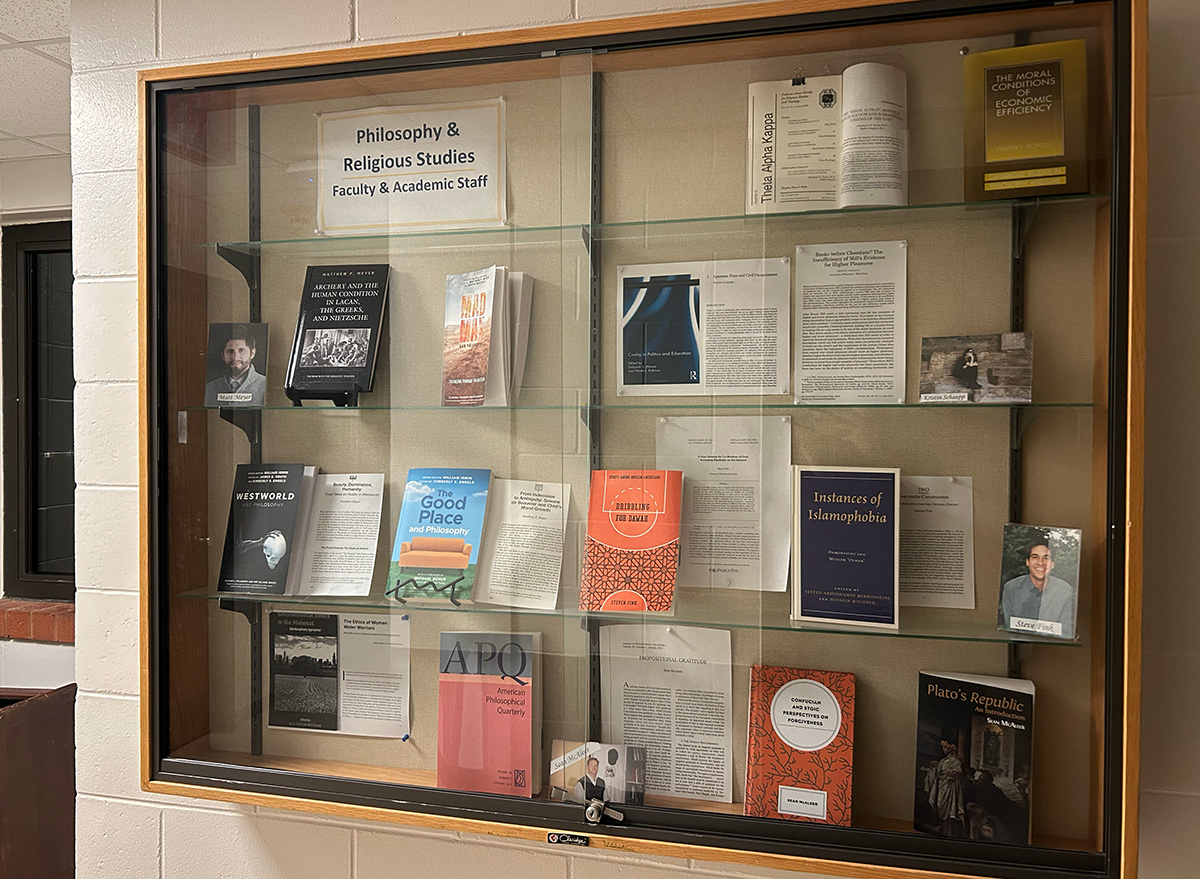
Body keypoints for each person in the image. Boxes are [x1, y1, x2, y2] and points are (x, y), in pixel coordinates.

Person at [1000, 535, 1076, 638]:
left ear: (1052, 564)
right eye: (1035, 557)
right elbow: (1010, 631)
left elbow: (1065, 633)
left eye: (1046, 558)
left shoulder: (1064, 590)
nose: (1040, 563)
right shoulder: (1011, 589)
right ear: (1027, 562)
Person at [205, 325, 266, 406]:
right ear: (223, 355)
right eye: (230, 351)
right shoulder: (209, 389)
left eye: (241, 350)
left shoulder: (265, 386)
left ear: (252, 353)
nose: (235, 357)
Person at [928, 740, 966, 837]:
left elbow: (960, 773)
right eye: (943, 747)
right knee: (940, 806)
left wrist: (953, 774)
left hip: (951, 787)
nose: (943, 749)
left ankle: (949, 833)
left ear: (950, 748)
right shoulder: (942, 761)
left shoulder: (956, 761)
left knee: (950, 810)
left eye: (945, 747)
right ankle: (940, 829)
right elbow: (937, 773)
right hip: (941, 786)